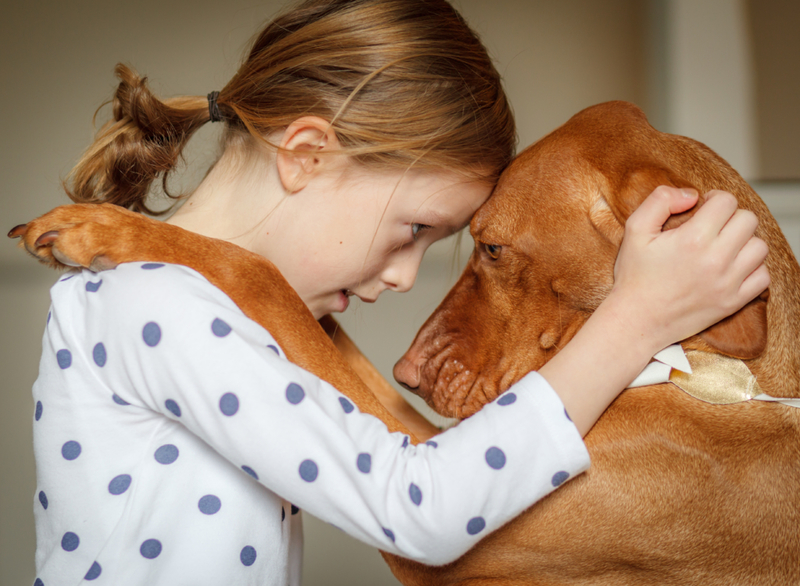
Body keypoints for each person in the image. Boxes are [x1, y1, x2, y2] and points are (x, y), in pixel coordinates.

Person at [29, 0, 769, 584]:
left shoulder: (192, 303)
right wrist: (636, 321)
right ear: (308, 155)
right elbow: (420, 510)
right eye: (415, 227)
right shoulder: (156, 303)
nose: (404, 278)